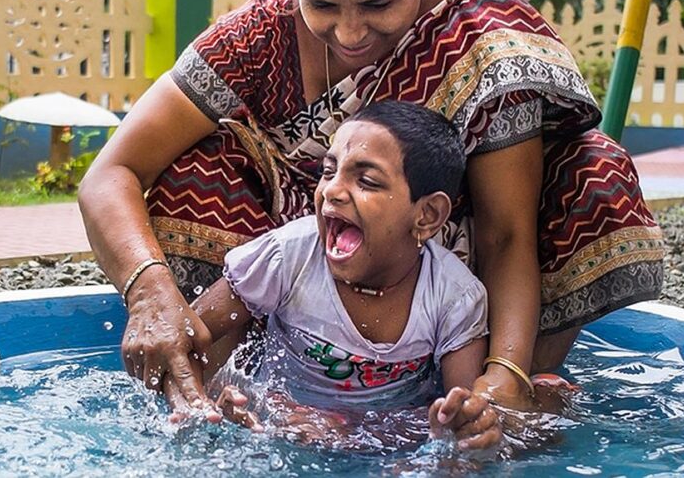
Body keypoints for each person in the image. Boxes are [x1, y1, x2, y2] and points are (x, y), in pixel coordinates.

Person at [78, 0, 664, 419]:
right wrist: (150, 292)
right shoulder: (259, 33)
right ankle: (232, 383)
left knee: (595, 173)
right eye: (323, 5)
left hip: (438, 265)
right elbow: (112, 172)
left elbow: (507, 234)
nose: (352, 34)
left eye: (380, 3)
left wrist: (503, 371)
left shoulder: (478, 41)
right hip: (297, 270)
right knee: (195, 171)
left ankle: (505, 397)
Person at [193, 101, 501, 451]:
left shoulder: (454, 296)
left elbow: (462, 415)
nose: (332, 191)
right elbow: (183, 342)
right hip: (277, 437)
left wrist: (466, 432)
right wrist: (221, 403)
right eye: (328, 171)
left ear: (427, 215)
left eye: (366, 181)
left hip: (387, 453)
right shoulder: (288, 257)